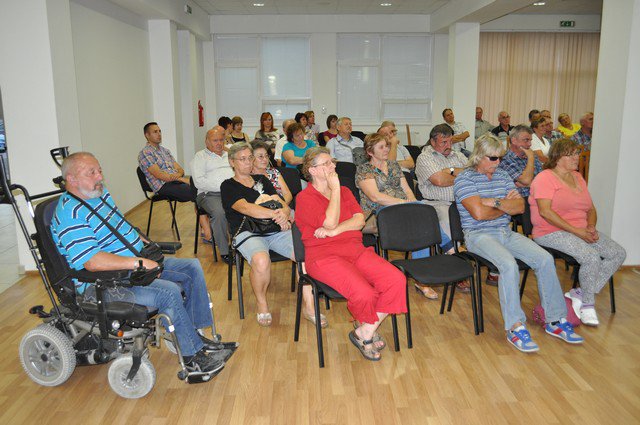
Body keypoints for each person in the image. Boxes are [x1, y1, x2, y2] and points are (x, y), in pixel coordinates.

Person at [52, 152, 228, 373]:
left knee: (191, 267)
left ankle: (193, 334)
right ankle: (192, 355)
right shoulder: (70, 214)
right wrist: (138, 262)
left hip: (131, 268)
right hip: (103, 284)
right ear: (71, 179)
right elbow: (92, 261)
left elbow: (119, 225)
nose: (100, 177)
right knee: (168, 291)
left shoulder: (99, 194)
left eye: (99, 170)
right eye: (92, 173)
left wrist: (141, 241)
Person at [454, 135, 583, 353]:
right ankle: (515, 327)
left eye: (500, 158)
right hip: (478, 235)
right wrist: (505, 204)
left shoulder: (502, 175)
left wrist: (494, 202)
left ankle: (555, 319)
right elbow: (478, 214)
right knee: (508, 265)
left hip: (505, 232)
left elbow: (520, 207)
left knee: (545, 258)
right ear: (479, 156)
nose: (498, 163)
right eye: (493, 158)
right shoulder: (464, 179)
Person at [296, 147, 407, 361]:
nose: (333, 166)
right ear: (312, 170)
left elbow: (359, 221)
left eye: (332, 161)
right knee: (365, 293)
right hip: (324, 257)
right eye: (327, 164)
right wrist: (335, 190)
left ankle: (365, 330)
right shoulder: (305, 198)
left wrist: (335, 231)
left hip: (355, 250)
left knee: (396, 279)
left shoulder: (346, 192)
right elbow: (329, 221)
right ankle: (366, 330)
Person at [220, 143, 321, 327]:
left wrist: (284, 212)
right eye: (242, 159)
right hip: (248, 232)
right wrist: (277, 214)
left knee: (304, 254)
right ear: (232, 162)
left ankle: (309, 307)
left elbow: (280, 202)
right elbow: (247, 209)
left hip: (274, 230)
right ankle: (262, 303)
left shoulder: (261, 179)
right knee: (261, 261)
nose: (248, 162)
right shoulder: (228, 185)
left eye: (250, 158)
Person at [529, 139, 625, 326]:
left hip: (580, 230)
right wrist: (577, 232)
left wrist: (591, 226)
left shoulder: (578, 177)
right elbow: (545, 212)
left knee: (617, 253)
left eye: (577, 153)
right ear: (557, 157)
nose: (576, 157)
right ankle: (587, 304)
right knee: (591, 257)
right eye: (571, 154)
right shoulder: (544, 178)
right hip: (550, 231)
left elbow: (591, 208)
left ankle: (581, 293)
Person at [356, 133, 456, 299]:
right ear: (370, 152)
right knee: (422, 212)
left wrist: (413, 204)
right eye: (381, 147)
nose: (387, 149)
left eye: (387, 146)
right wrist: (404, 204)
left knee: (422, 217)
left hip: (403, 210)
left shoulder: (394, 165)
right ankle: (450, 249)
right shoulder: (363, 170)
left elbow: (408, 190)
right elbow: (375, 197)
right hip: (380, 213)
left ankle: (422, 278)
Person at [138, 122, 211, 240]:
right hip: (163, 186)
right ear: (147, 135)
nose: (159, 134)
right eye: (155, 132)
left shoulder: (165, 151)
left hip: (175, 182)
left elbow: (180, 169)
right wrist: (181, 178)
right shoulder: (145, 153)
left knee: (203, 188)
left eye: (159, 131)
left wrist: (179, 176)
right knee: (197, 192)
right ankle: (206, 232)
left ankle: (208, 225)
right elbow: (160, 175)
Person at [415, 124, 466, 238]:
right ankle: (453, 248)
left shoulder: (458, 155)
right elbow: (440, 181)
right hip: (438, 204)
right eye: (444, 142)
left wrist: (451, 170)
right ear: (433, 142)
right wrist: (462, 176)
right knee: (449, 225)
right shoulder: (425, 157)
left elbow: (472, 174)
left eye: (451, 141)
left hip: (463, 203)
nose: (449, 146)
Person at [191, 126, 234, 263]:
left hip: (232, 192)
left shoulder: (229, 155)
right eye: (215, 140)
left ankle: (241, 246)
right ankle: (225, 252)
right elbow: (199, 182)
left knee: (246, 208)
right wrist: (224, 187)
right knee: (220, 213)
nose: (219, 143)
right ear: (207, 142)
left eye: (221, 140)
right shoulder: (200, 156)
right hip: (209, 195)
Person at [498, 125, 542, 198]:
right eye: (526, 140)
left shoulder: (532, 155)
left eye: (530, 140)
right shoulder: (506, 160)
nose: (530, 144)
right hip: (522, 200)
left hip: (539, 197)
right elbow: (526, 180)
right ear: (514, 140)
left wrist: (530, 185)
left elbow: (544, 180)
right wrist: (531, 158)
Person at [250, 140, 293, 206]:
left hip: (283, 206)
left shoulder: (273, 172)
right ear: (251, 158)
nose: (265, 159)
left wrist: (281, 207)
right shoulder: (247, 177)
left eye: (266, 155)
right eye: (261, 156)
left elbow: (287, 195)